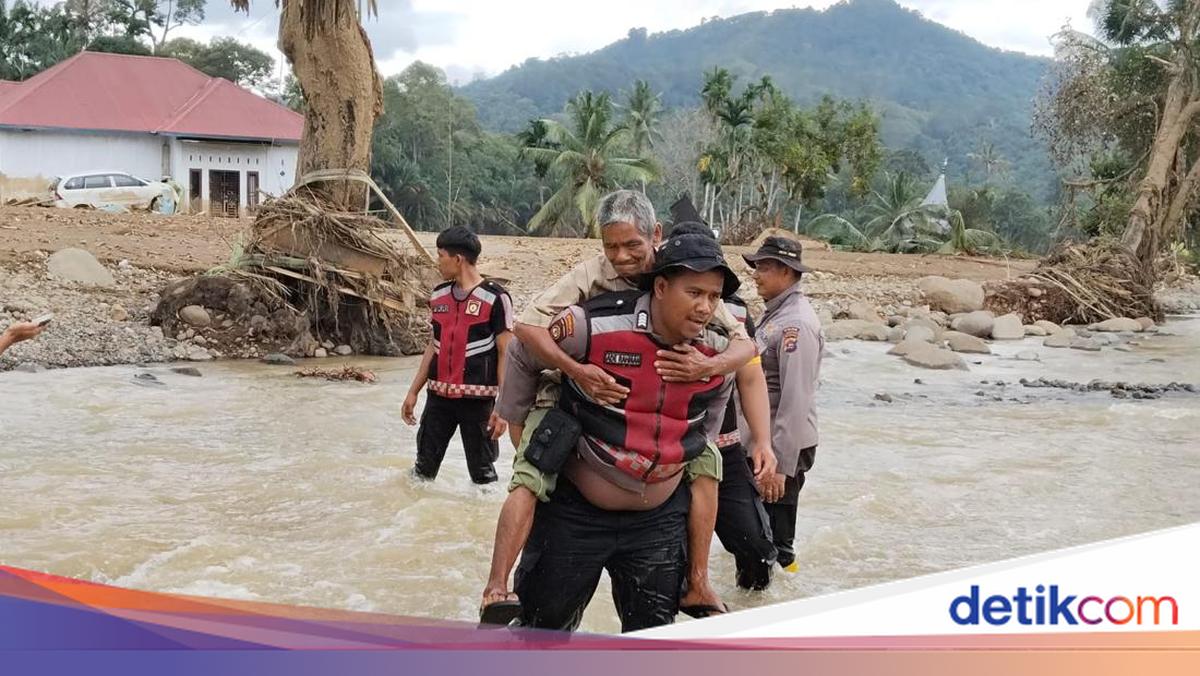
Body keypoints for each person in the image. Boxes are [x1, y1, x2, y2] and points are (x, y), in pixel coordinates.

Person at [478, 193, 770, 622]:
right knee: (531, 477)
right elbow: (525, 333)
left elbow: (742, 352)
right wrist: (563, 381)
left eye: (632, 246)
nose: (621, 257)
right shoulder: (591, 298)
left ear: (655, 238)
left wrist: (707, 369)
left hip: (657, 496)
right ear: (662, 288)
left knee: (706, 464)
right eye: (611, 246)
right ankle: (495, 587)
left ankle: (698, 580)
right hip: (574, 425)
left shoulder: (704, 311)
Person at [402, 226, 514, 485]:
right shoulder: (438, 295)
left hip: (478, 403)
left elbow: (505, 353)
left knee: (483, 474)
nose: (437, 261)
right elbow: (433, 345)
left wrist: (503, 407)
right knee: (422, 470)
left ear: (457, 259)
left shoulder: (496, 298)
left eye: (440, 255)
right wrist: (413, 391)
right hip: (438, 399)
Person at [741, 236, 824, 573]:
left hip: (781, 447)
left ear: (788, 272)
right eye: (756, 266)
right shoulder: (776, 313)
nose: (756, 274)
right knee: (760, 533)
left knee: (778, 542)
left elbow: (795, 399)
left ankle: (782, 601)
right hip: (766, 444)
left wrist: (780, 466)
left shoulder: (796, 324)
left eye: (764, 267)